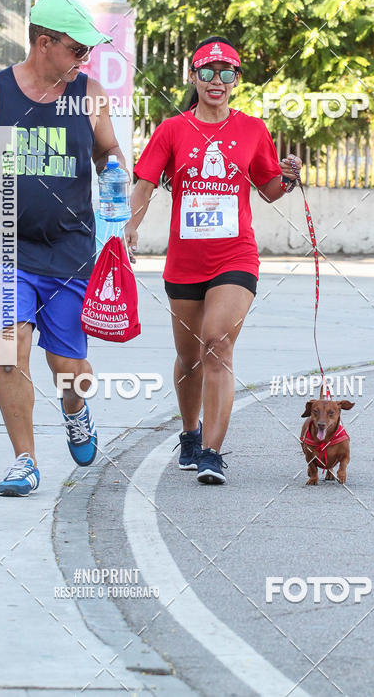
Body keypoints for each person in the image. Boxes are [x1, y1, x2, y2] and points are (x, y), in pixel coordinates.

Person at [0, 0, 126, 495]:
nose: (85, 60)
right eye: (78, 50)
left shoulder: (91, 95)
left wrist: (116, 193)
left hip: (70, 250)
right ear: (45, 43)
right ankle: (25, 459)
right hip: (4, 248)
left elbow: (109, 157)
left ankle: (76, 410)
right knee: (8, 350)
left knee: (67, 367)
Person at [125, 36, 302, 485]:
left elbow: (269, 189)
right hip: (184, 262)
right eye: (208, 72)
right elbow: (144, 184)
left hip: (235, 256)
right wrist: (130, 225)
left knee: (216, 344)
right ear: (193, 77)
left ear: (236, 81)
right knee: (188, 359)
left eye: (227, 73)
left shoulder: (252, 129)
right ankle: (190, 432)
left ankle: (212, 452)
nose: (217, 81)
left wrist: (288, 178)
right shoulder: (172, 129)